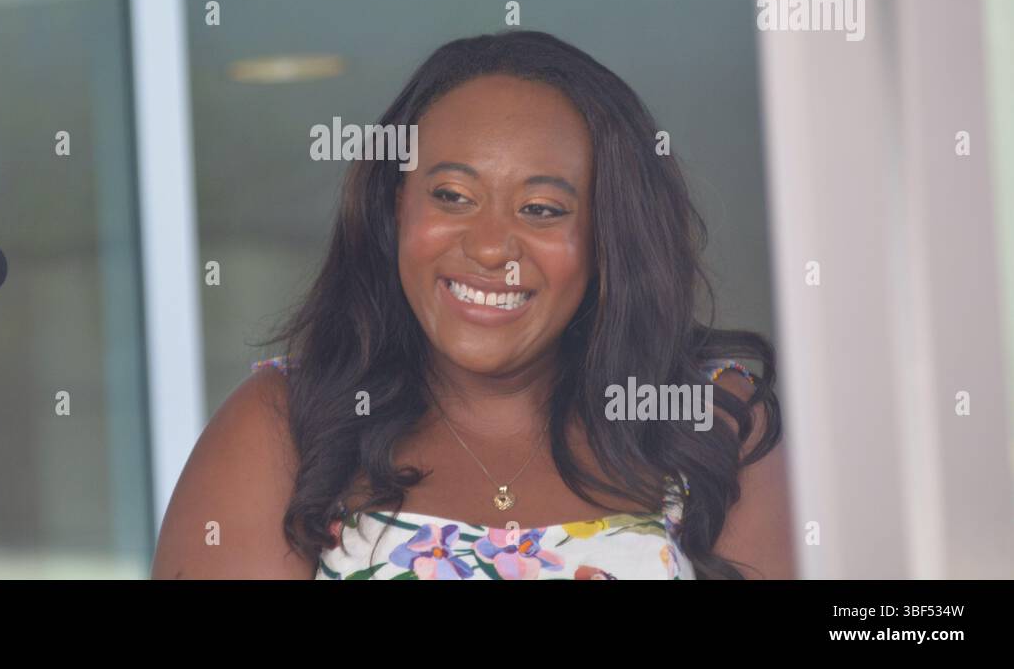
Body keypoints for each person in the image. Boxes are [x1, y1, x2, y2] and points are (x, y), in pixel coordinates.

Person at [152, 29, 794, 580]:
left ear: (607, 238)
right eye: (452, 196)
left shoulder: (709, 425)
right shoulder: (286, 426)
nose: (491, 248)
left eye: (542, 209)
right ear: (394, 209)